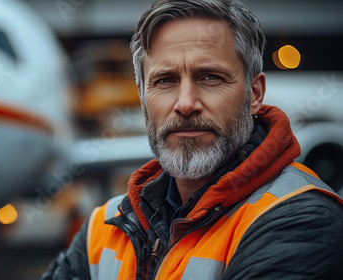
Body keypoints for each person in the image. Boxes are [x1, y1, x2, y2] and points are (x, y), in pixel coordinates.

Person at [41, 0, 343, 279]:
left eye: (210, 77)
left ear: (254, 94)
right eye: (165, 80)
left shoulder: (301, 220)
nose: (185, 103)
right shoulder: (103, 226)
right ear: (143, 97)